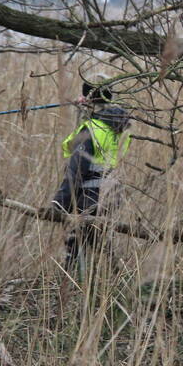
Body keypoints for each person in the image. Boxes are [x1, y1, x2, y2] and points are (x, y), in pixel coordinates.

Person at [51, 104, 132, 270]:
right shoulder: (119, 132)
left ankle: (72, 277)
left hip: (88, 192)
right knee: (93, 235)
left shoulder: (91, 131)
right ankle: (113, 271)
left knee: (78, 234)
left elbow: (76, 170)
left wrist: (59, 202)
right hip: (107, 191)